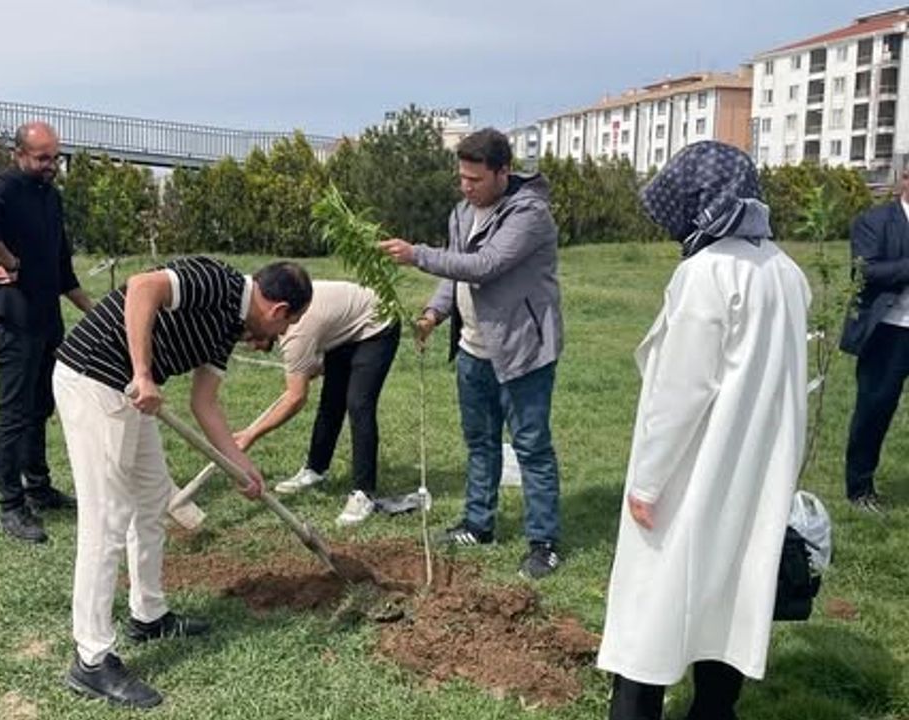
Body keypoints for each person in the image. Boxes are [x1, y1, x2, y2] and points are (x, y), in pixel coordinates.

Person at [596, 141, 811, 720]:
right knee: (730, 593)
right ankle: (714, 710)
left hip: (693, 469)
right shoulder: (787, 272)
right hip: (756, 466)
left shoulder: (705, 274)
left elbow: (680, 392)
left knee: (651, 606)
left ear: (695, 202)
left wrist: (647, 483)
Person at [53, 256, 311, 708]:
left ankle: (148, 615)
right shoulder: (217, 281)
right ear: (279, 310)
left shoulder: (229, 329)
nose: (281, 335)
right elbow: (142, 287)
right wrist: (142, 373)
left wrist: (240, 465)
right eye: (287, 326)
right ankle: (91, 659)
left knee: (152, 498)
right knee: (107, 519)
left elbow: (204, 403)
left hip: (133, 394)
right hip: (96, 379)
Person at [378, 128, 565, 579]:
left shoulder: (530, 214)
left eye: (475, 179)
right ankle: (478, 525)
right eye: (462, 178)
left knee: (531, 447)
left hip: (522, 350)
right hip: (472, 350)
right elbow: (455, 273)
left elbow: (485, 266)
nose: (466, 187)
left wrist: (417, 254)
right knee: (480, 442)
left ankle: (543, 543)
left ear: (503, 172)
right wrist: (434, 313)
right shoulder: (463, 213)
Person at [0, 121, 95, 544]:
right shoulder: (5, 187)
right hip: (14, 320)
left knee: (41, 406)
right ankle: (11, 504)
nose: (50, 165)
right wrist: (8, 260)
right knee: (15, 411)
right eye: (42, 158)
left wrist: (96, 313)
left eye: (55, 157)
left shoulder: (50, 197)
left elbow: (62, 267)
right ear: (19, 154)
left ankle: (39, 488)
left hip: (47, 318)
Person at [236, 280, 400, 526]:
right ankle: (315, 469)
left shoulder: (295, 334)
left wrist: (251, 434)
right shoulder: (284, 318)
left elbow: (295, 398)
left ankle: (363, 493)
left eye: (253, 338)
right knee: (331, 401)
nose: (254, 347)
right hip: (343, 327)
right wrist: (307, 367)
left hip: (378, 321)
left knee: (359, 404)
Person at [839, 170, 909, 515]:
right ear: (906, 179)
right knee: (875, 409)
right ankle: (860, 488)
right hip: (889, 332)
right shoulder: (874, 221)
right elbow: (866, 270)